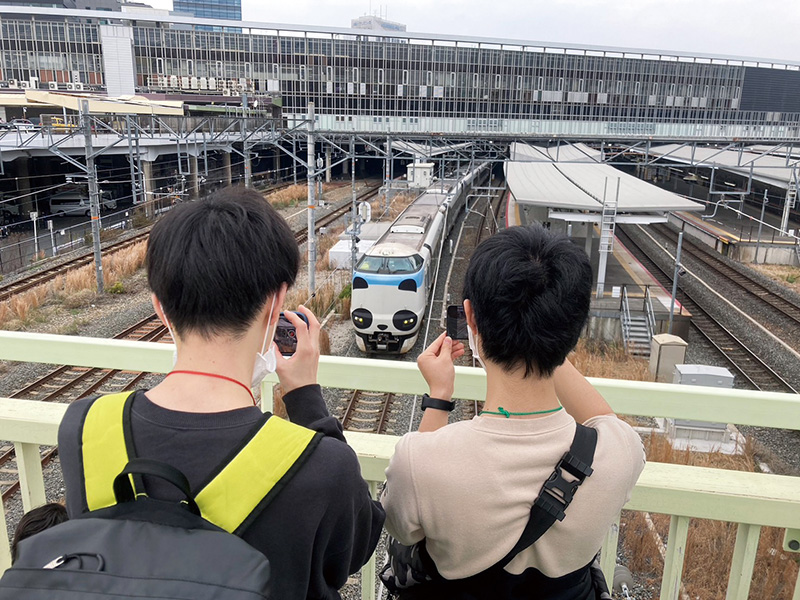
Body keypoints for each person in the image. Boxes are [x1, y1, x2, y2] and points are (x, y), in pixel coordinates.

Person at [58, 187, 385, 600]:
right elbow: (354, 550)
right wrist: (305, 396)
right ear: (277, 302)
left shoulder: (84, 427)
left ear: (159, 307)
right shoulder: (323, 465)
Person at [381, 225, 646, 599]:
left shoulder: (420, 461)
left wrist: (439, 396)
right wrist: (547, 332)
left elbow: (403, 529)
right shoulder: (620, 451)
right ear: (574, 329)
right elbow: (603, 418)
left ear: (470, 319)